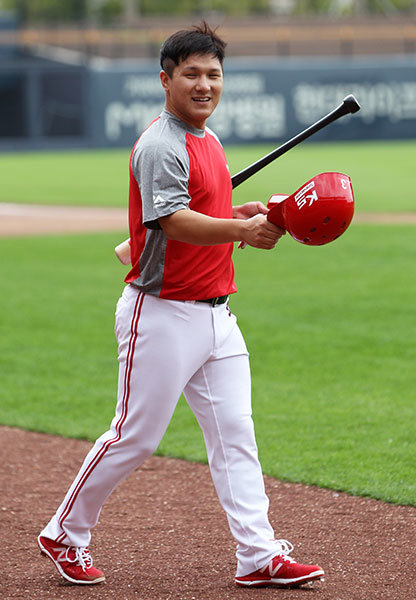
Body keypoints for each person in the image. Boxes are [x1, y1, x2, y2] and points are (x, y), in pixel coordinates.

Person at [37, 22, 324, 589]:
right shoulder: (160, 144)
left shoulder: (207, 140)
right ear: (165, 79)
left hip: (217, 316)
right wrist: (240, 232)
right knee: (135, 436)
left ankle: (257, 553)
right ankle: (64, 532)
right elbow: (172, 220)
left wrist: (237, 212)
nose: (204, 84)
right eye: (191, 73)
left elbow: (201, 209)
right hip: (161, 313)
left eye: (214, 74)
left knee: (236, 435)